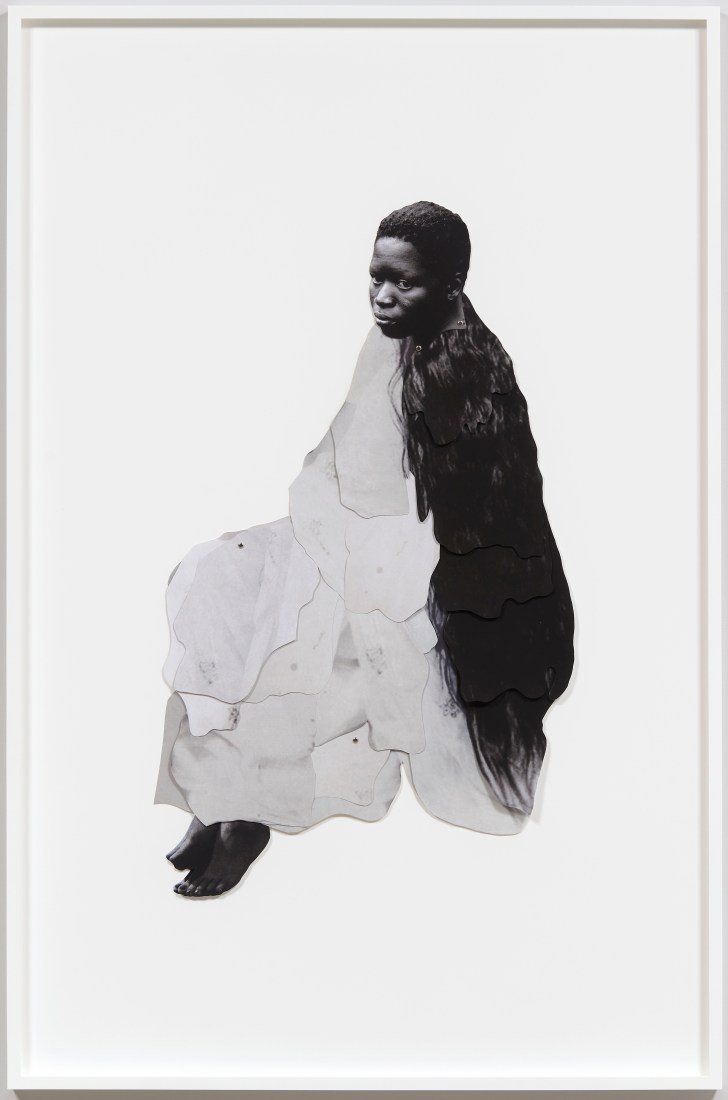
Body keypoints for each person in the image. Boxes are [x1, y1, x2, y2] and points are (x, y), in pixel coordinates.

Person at [156, 200, 574, 898]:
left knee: (296, 644)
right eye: (376, 277)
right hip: (349, 532)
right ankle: (217, 799)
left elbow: (468, 519)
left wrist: (356, 563)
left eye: (403, 282)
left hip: (431, 569)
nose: (382, 296)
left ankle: (243, 816)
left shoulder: (464, 368)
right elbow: (343, 456)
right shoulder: (392, 338)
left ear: (451, 284)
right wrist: (321, 530)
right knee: (218, 576)